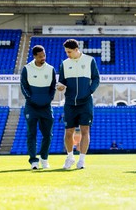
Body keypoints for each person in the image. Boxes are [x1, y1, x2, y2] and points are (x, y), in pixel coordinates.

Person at [57, 39, 100, 169]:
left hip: (85, 102)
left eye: (69, 52)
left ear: (76, 50)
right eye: (66, 52)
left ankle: (82, 160)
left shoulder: (89, 60)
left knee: (85, 130)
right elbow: (62, 81)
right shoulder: (64, 64)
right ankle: (70, 158)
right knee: (68, 131)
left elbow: (96, 78)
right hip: (69, 103)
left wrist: (89, 91)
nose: (67, 54)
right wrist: (60, 86)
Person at [20, 45, 56, 170]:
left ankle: (44, 158)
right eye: (40, 56)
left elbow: (53, 87)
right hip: (31, 107)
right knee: (32, 134)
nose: (43, 58)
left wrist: (49, 99)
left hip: (46, 107)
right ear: (34, 56)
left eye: (44, 55)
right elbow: (23, 87)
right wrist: (31, 99)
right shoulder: (27, 69)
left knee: (48, 134)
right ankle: (34, 161)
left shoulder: (50, 69)